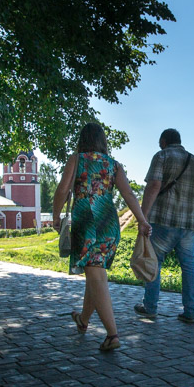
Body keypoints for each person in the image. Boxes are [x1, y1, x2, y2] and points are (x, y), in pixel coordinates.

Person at [53, 123, 151, 352]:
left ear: (83, 139)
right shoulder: (113, 165)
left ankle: (112, 334)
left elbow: (62, 190)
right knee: (94, 272)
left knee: (96, 275)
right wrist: (142, 220)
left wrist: (56, 216)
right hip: (109, 223)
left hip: (87, 221)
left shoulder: (76, 159)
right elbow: (129, 194)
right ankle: (83, 320)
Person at [135, 128, 194, 323]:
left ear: (164, 141)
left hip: (163, 221)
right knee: (190, 266)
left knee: (154, 262)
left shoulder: (162, 156)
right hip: (188, 224)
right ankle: (191, 311)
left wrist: (143, 217)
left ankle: (150, 307)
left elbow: (154, 185)